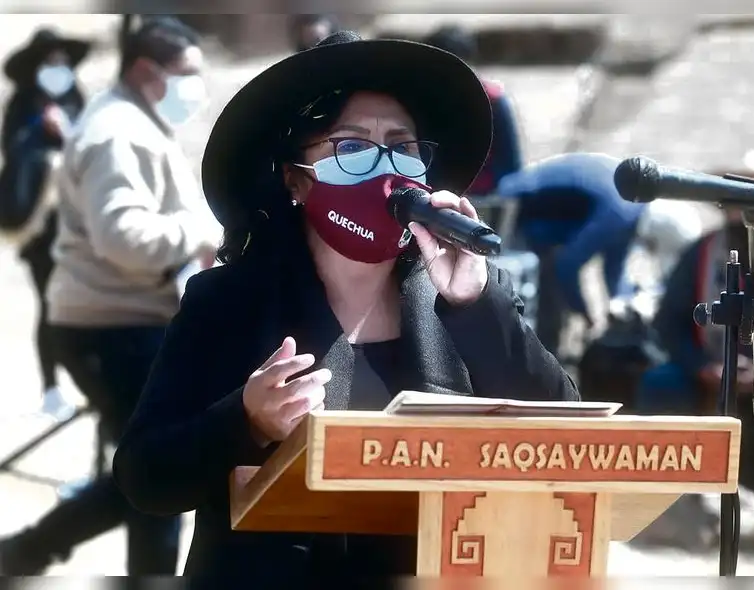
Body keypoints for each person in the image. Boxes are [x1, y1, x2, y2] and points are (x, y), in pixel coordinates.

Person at [111, 30, 578, 586]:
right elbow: (146, 477)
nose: (384, 166)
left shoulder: (469, 292)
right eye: (351, 146)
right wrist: (246, 420)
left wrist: (478, 306)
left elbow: (563, 433)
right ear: (296, 181)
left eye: (402, 146)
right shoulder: (230, 300)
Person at [0, 17, 220, 576]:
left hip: (124, 319)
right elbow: (122, 236)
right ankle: (32, 549)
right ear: (147, 71)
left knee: (147, 471)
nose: (196, 85)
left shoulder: (135, 122)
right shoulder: (118, 133)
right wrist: (201, 236)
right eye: (187, 74)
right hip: (114, 326)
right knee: (155, 473)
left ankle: (28, 550)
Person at [636, 169, 754, 497]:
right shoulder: (699, 253)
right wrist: (700, 366)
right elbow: (668, 321)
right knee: (661, 383)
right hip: (708, 365)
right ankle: (665, 487)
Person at [496, 152, 702, 352]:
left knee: (551, 294)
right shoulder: (620, 213)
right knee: (541, 299)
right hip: (510, 205)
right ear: (655, 240)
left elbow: (613, 270)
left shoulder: (630, 207)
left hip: (536, 211)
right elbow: (567, 266)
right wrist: (585, 313)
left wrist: (624, 302)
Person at [1, 28, 91, 420]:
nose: (58, 69)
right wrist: (41, 133)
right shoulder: (22, 104)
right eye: (50, 62)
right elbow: (15, 153)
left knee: (80, 303)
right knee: (48, 300)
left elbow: (91, 150)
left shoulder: (76, 100)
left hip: (79, 222)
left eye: (62, 61)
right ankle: (51, 386)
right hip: (39, 228)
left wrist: (66, 133)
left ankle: (83, 379)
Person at [424, 24, 523, 196]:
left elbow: (511, 166)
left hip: (486, 197)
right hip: (434, 194)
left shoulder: (494, 101)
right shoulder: (421, 101)